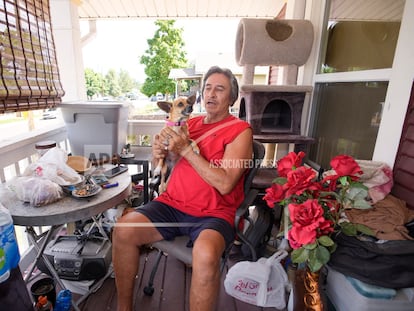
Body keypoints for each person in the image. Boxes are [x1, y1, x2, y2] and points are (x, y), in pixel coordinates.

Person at [112, 66, 253, 311]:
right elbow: (163, 163)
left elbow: (225, 182)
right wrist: (159, 154)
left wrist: (186, 149)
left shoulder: (240, 131)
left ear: (232, 98)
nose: (211, 94)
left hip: (213, 213)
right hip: (172, 204)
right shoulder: (191, 123)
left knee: (207, 255)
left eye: (220, 89)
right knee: (124, 229)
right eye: (207, 88)